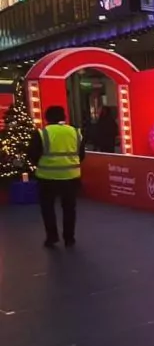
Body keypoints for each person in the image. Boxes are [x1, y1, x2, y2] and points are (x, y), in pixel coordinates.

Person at [27, 106, 86, 248]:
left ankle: (52, 237)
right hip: (71, 176)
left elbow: (32, 154)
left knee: (48, 208)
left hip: (47, 177)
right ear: (64, 117)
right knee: (69, 208)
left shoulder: (42, 133)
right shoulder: (75, 132)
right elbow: (81, 154)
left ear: (47, 118)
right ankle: (69, 238)